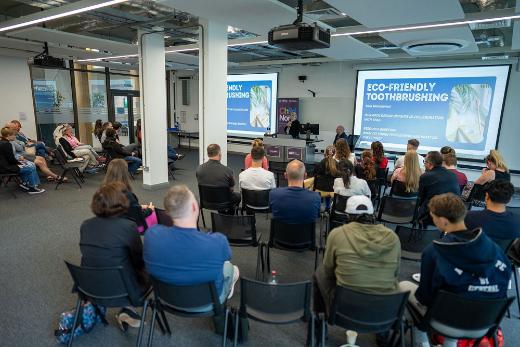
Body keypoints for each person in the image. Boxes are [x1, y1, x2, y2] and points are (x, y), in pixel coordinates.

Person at [399, 193, 511, 347]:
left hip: (445, 321)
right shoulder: (496, 250)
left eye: (433, 217)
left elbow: (424, 298)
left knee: (404, 286)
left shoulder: (434, 251)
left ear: (443, 221)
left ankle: (422, 342)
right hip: (484, 324)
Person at [144, 185, 239, 312]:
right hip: (209, 301)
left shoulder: (151, 236)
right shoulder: (217, 241)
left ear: (167, 211)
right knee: (231, 268)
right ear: (195, 207)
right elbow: (227, 257)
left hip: (166, 299)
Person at [314, 195, 400, 317]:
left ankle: (320, 320)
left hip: (345, 305)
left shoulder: (337, 234)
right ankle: (383, 334)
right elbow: (396, 272)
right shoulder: (393, 237)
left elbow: (328, 270)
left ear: (348, 215)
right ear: (372, 214)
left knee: (320, 273)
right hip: (383, 306)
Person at [80, 183, 149, 329]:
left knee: (116, 262)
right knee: (141, 268)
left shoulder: (85, 225)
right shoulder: (128, 226)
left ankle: (124, 309)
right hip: (123, 289)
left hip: (89, 287)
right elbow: (138, 260)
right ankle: (128, 308)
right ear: (121, 202)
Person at [465, 180, 520, 247]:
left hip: (472, 256)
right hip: (500, 256)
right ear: (510, 199)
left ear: (487, 196)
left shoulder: (469, 217)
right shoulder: (517, 221)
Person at [103, 159, 153, 228]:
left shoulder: (102, 192)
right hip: (124, 230)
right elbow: (137, 218)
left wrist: (140, 207)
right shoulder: (127, 195)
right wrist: (149, 210)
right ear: (125, 173)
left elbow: (120, 207)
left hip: (108, 227)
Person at [269, 160, 321, 224]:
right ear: (305, 176)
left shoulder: (274, 194)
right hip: (305, 233)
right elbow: (317, 216)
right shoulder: (315, 197)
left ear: (285, 175)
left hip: (280, 233)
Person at [418, 151, 460, 225]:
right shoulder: (453, 175)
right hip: (452, 214)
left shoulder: (426, 176)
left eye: (425, 162)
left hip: (431, 216)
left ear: (430, 164)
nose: (424, 164)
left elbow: (420, 199)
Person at [0, 127, 45, 194]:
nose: (15, 136)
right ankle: (32, 188)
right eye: (14, 135)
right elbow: (11, 159)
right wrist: (19, 163)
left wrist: (19, 162)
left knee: (29, 164)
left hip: (4, 166)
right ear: (8, 135)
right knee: (30, 167)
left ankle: (25, 183)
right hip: (7, 168)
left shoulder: (2, 142)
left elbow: (9, 158)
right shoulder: (7, 144)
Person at [196, 144, 241, 208]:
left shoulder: (199, 169)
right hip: (224, 202)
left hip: (206, 202)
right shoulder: (227, 171)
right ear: (219, 154)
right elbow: (231, 189)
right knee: (238, 196)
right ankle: (229, 215)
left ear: (208, 154)